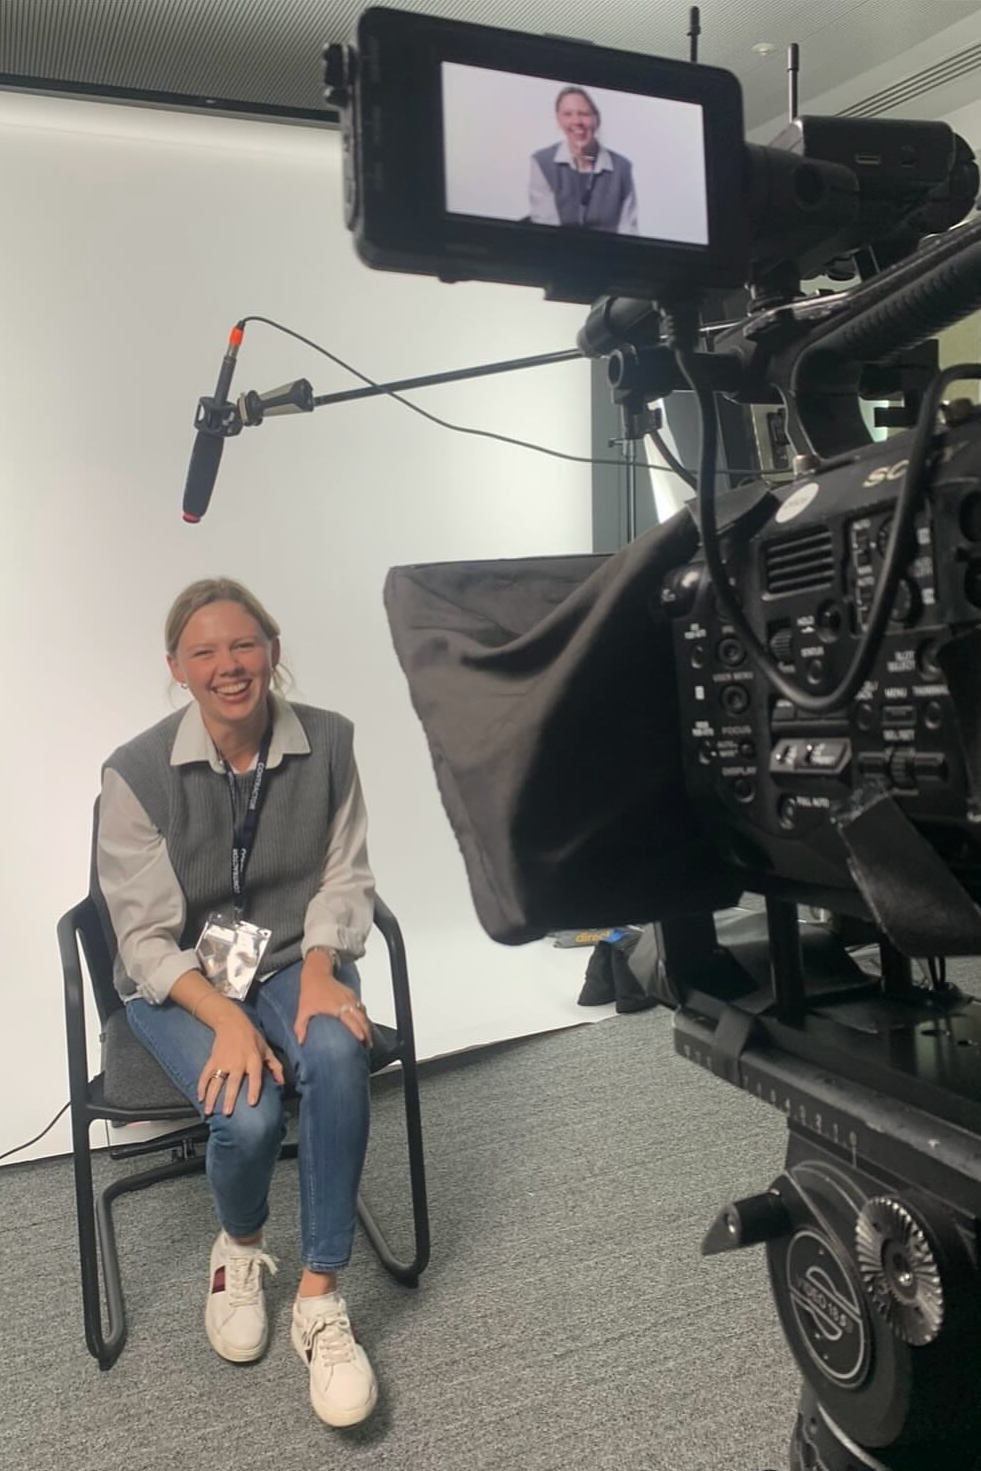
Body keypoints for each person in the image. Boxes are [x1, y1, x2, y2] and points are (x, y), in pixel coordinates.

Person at [96, 577, 378, 1428]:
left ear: (273, 650)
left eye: (244, 644)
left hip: (293, 956)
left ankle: (320, 1297)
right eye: (205, 651)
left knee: (336, 1051)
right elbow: (143, 937)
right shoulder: (136, 771)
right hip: (181, 976)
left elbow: (346, 874)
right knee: (248, 1115)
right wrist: (226, 1019)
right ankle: (239, 1248)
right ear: (176, 667)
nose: (229, 664)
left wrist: (324, 962)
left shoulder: (329, 741)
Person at [529, 85, 638, 234]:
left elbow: (628, 229)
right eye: (567, 114)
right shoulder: (541, 162)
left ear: (596, 119)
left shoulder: (622, 168)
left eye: (584, 114)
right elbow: (546, 229)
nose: (576, 121)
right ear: (559, 120)